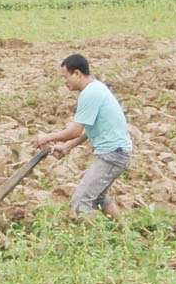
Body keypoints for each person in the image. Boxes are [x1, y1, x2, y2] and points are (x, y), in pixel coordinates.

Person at [32, 53, 134, 218]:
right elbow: (87, 129)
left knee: (81, 202)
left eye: (66, 77)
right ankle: (125, 230)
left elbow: (75, 131)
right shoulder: (97, 88)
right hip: (117, 152)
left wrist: (46, 137)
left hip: (113, 154)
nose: (64, 82)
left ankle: (95, 235)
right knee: (99, 198)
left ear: (77, 73)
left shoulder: (89, 93)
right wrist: (67, 147)